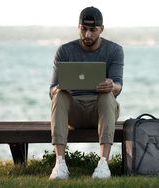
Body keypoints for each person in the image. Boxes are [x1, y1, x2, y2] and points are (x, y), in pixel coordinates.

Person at [48, 6, 124, 180]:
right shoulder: (64, 51)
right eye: (84, 29)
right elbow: (51, 90)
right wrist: (58, 88)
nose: (88, 35)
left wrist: (111, 86)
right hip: (74, 113)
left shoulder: (114, 50)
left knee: (107, 95)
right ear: (79, 26)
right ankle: (60, 164)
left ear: (101, 29)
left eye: (93, 30)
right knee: (59, 95)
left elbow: (119, 86)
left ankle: (103, 164)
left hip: (101, 111)